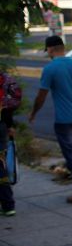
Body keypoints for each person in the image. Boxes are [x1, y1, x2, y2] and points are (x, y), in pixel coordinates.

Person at [29, 35, 72, 205]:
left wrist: (33, 113)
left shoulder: (50, 69)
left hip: (64, 120)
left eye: (48, 51)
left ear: (51, 49)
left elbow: (40, 97)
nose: (48, 54)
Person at [0, 74, 17, 217]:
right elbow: (8, 105)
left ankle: (7, 204)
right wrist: (10, 125)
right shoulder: (4, 78)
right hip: (2, 125)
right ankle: (8, 204)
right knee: (1, 164)